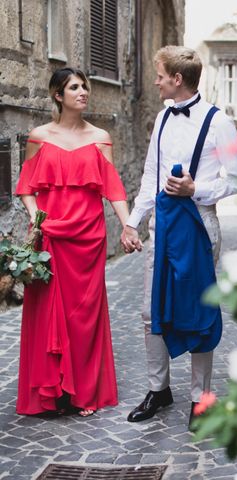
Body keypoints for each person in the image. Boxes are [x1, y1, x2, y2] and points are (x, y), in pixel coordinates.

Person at [121, 46, 237, 428]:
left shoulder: (219, 122)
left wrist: (198, 189)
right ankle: (159, 389)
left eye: (160, 75)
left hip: (199, 224)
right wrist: (133, 221)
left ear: (177, 79)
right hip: (161, 227)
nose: (156, 81)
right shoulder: (161, 118)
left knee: (198, 314)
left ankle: (201, 398)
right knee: (150, 311)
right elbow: (150, 176)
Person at [15, 67, 133, 417]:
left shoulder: (101, 138)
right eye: (74, 87)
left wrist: (128, 226)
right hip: (51, 235)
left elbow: (113, 189)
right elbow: (26, 188)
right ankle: (50, 393)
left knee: (84, 316)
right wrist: (37, 220)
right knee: (49, 310)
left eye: (85, 87)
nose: (83, 92)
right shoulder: (39, 136)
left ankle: (83, 392)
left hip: (88, 237)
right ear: (58, 95)